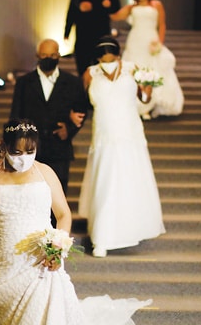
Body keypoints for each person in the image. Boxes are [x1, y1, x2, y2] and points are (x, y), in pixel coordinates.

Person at [0, 118, 152, 324]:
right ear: (3, 145)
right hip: (3, 260)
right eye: (16, 152)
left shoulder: (45, 173)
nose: (23, 158)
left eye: (30, 152)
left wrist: (57, 248)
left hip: (39, 261)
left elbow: (63, 214)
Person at [78, 36, 166, 258]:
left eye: (111, 59)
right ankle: (101, 237)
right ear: (98, 59)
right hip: (104, 134)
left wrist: (147, 88)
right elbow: (79, 101)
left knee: (129, 180)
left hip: (129, 134)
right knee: (106, 181)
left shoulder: (132, 69)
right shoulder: (90, 73)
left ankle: (130, 228)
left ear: (119, 55)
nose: (107, 63)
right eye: (103, 60)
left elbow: (144, 99)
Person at [9, 38, 88, 225]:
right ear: (37, 56)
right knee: (28, 195)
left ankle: (53, 237)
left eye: (52, 55)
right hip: (30, 151)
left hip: (59, 149)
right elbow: (15, 115)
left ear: (59, 55)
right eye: (44, 55)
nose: (48, 59)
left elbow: (81, 112)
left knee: (57, 197)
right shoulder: (24, 83)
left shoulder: (72, 82)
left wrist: (69, 130)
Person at [110, 0, 184, 119]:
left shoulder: (156, 5)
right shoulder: (132, 7)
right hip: (135, 40)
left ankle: (149, 103)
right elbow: (115, 16)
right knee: (134, 70)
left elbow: (162, 25)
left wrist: (159, 42)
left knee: (151, 70)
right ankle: (135, 105)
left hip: (150, 40)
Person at [64, 0, 121, 76]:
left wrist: (103, 5)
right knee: (82, 66)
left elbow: (116, 6)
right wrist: (67, 31)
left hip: (100, 30)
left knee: (100, 66)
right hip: (82, 31)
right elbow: (72, 8)